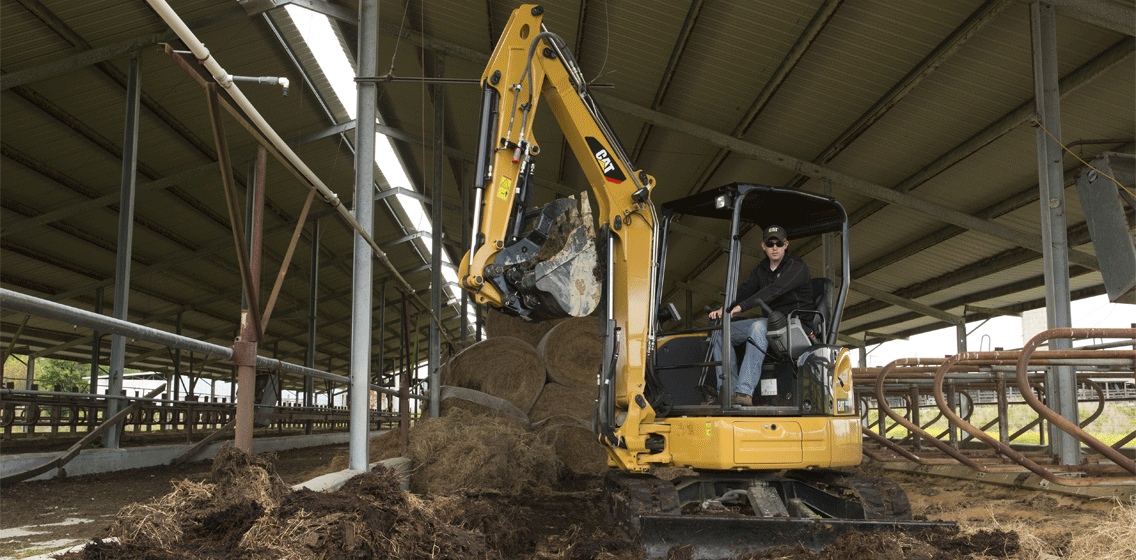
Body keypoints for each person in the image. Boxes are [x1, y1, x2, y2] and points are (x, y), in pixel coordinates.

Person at [708, 225, 812, 406]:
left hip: (794, 323)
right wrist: (725, 308)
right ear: (763, 246)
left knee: (758, 328)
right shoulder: (760, 270)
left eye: (778, 243)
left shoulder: (796, 266)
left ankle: (744, 392)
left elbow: (774, 290)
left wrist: (742, 306)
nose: (774, 247)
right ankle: (727, 392)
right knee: (721, 331)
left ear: (786, 244)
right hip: (771, 322)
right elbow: (745, 290)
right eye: (770, 243)